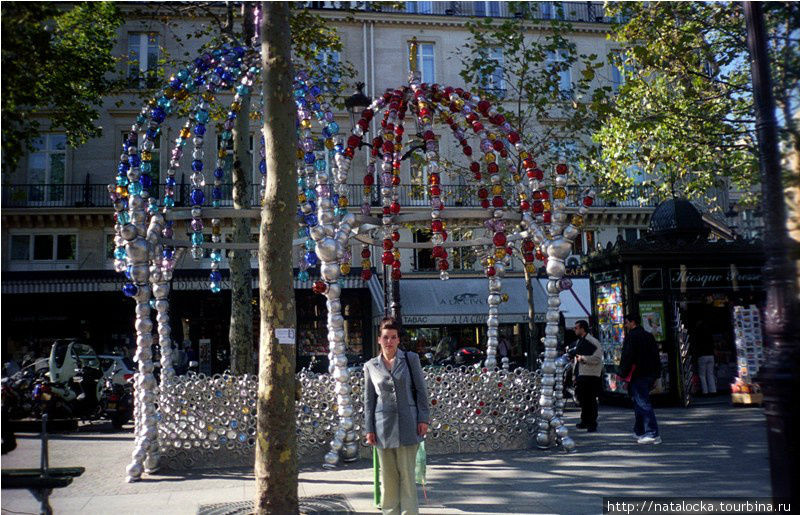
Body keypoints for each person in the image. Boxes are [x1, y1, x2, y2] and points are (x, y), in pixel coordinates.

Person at [364, 317, 429, 515]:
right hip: (382, 428)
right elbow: (369, 400)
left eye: (393, 337)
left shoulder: (410, 359)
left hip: (409, 424)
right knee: (389, 478)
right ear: (379, 340)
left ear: (399, 340)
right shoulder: (370, 366)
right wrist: (369, 429)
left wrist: (423, 418)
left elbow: (421, 391)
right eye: (385, 337)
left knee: (407, 477)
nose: (389, 342)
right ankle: (390, 512)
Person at [618, 313, 662, 445]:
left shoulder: (631, 337)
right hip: (649, 373)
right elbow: (656, 356)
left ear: (632, 323)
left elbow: (627, 357)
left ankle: (652, 433)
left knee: (642, 402)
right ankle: (640, 430)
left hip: (637, 374)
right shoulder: (648, 335)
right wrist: (656, 374)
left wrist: (622, 373)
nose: (625, 325)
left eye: (626, 322)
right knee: (639, 402)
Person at [571, 320, 603, 432]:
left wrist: (583, 358)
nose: (574, 330)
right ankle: (584, 420)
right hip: (582, 373)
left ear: (582, 329)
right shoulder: (579, 341)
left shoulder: (593, 341)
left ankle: (592, 423)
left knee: (590, 399)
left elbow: (598, 358)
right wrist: (574, 375)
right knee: (583, 399)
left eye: (576, 328)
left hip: (591, 374)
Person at [692, 320, 717, 395]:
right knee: (710, 374)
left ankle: (705, 391)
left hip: (702, 355)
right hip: (711, 355)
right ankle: (713, 390)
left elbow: (696, 345)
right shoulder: (709, 334)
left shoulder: (698, 334)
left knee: (702, 375)